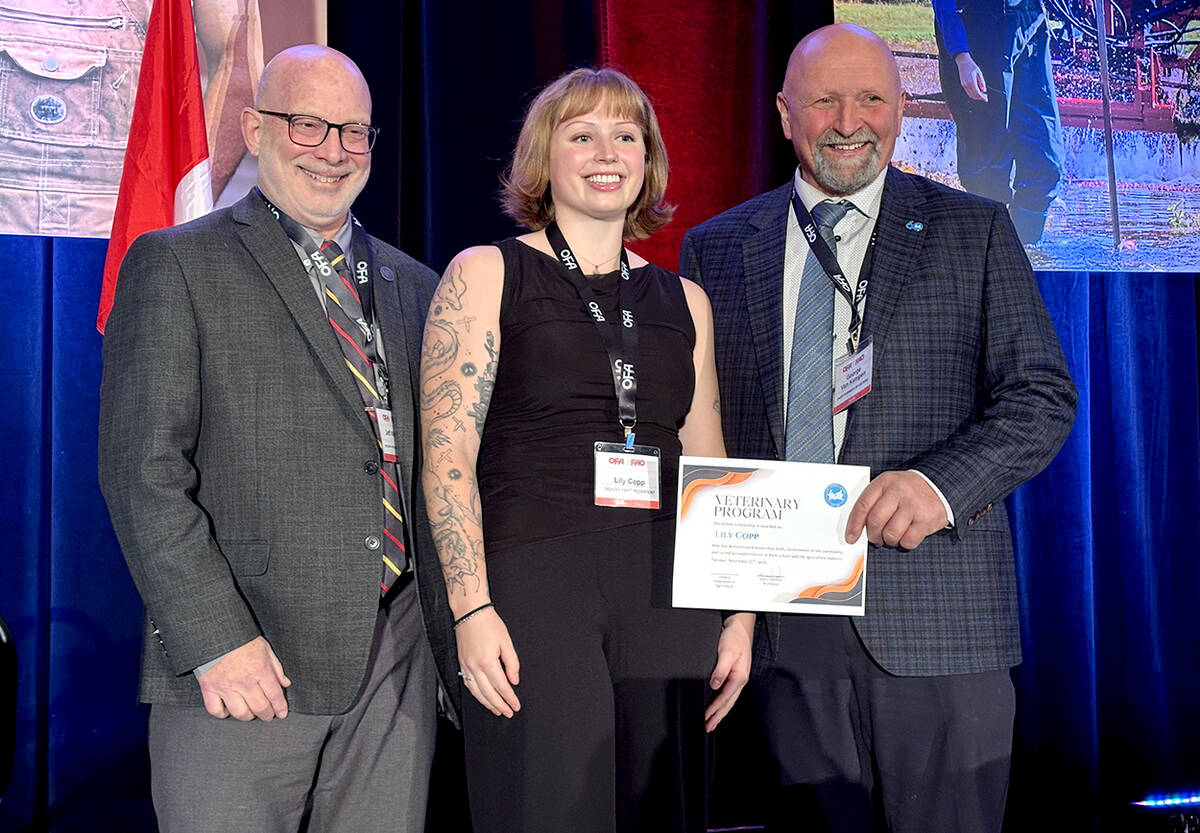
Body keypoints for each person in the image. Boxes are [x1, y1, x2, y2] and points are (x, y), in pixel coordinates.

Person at [679, 24, 1076, 833]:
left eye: (870, 99)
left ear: (901, 112)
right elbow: (698, 426)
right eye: (824, 100)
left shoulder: (978, 230)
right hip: (787, 631)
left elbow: (1041, 397)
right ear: (787, 113)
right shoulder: (715, 249)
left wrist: (939, 485)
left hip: (939, 624)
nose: (848, 120)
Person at [98, 45, 456, 833]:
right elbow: (142, 471)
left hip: (396, 667)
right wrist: (215, 639)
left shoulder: (418, 287)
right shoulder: (175, 264)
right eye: (307, 124)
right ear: (256, 128)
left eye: (353, 131)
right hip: (246, 667)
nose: (332, 150)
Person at [419, 67, 754, 833]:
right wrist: (470, 608)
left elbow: (711, 462)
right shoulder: (484, 274)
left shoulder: (685, 300)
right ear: (545, 156)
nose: (607, 151)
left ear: (648, 159)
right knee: (547, 808)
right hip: (534, 587)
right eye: (582, 133)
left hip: (669, 593)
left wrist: (740, 615)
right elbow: (446, 460)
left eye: (625, 135)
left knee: (659, 810)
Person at [933, 0, 1066, 244]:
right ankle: (989, 255)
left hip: (1030, 25)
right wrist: (961, 56)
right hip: (976, 32)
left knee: (1045, 162)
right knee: (987, 169)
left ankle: (1028, 255)